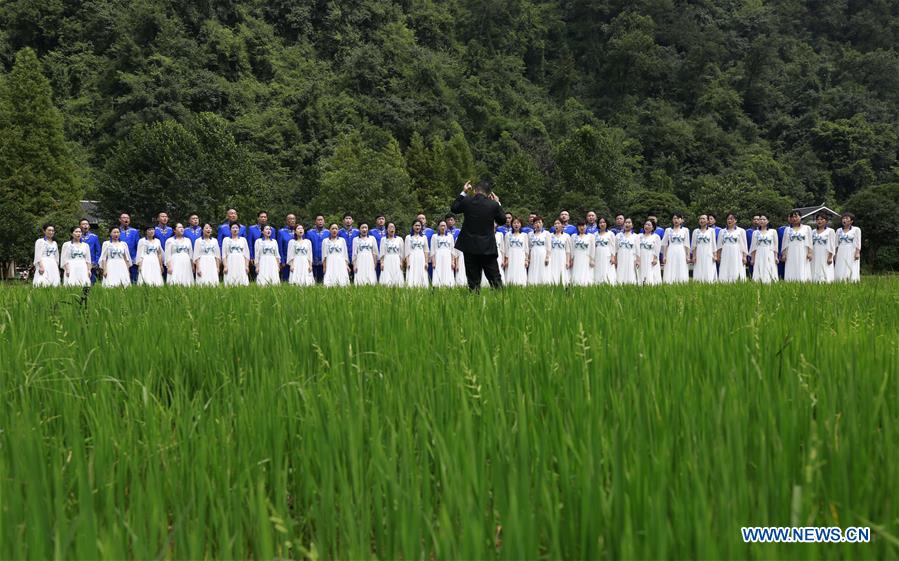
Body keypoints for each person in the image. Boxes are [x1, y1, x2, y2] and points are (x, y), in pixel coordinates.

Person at [450, 181, 506, 290]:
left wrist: (464, 192)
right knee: (494, 278)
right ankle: (501, 300)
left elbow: (454, 208)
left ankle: (474, 301)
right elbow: (502, 220)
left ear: (475, 191)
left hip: (470, 246)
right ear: (489, 194)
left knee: (473, 280)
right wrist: (498, 203)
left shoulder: (466, 201)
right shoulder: (493, 204)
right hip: (487, 247)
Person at [716, 213, 748, 283]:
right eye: (728, 219)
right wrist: (718, 256)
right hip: (725, 252)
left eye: (731, 219)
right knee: (725, 267)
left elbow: (744, 245)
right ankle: (724, 281)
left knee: (736, 267)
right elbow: (719, 246)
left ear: (735, 220)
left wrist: (744, 256)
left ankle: (737, 281)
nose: (729, 220)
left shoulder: (741, 231)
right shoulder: (722, 231)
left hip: (737, 252)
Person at [782, 211, 812, 282]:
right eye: (792, 217)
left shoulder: (807, 228)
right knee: (791, 266)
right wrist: (784, 254)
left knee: (802, 266)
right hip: (790, 251)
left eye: (796, 216)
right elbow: (784, 242)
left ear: (800, 217)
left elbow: (810, 241)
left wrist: (810, 252)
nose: (794, 219)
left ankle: (803, 281)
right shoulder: (787, 229)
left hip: (803, 251)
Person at [749, 215, 779, 284]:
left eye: (764, 219)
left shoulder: (773, 231)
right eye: (760, 219)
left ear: (768, 221)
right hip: (759, 253)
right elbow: (753, 247)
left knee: (769, 267)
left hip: (769, 252)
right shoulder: (755, 232)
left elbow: (775, 245)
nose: (762, 221)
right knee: (759, 267)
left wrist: (776, 256)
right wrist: (753, 259)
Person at [662, 213, 690, 284]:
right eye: (674, 218)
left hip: (681, 250)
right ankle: (669, 282)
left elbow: (687, 244)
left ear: (682, 220)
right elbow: (665, 244)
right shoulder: (668, 230)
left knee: (681, 266)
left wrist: (688, 256)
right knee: (670, 265)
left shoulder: (685, 230)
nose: (676, 220)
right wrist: (664, 256)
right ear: (672, 220)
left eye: (678, 218)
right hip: (671, 250)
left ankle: (681, 282)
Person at [834, 212, 861, 282]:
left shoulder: (856, 230)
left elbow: (858, 242)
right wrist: (835, 254)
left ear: (851, 221)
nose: (844, 220)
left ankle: (852, 280)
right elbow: (836, 244)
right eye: (843, 218)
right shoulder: (838, 231)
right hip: (841, 250)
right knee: (840, 265)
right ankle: (840, 280)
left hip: (851, 250)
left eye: (846, 218)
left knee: (851, 265)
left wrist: (857, 252)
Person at [691, 214, 718, 283]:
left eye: (703, 219)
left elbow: (713, 244)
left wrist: (715, 255)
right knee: (699, 268)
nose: (701, 220)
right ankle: (698, 282)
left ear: (707, 221)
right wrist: (694, 256)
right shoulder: (695, 231)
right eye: (700, 219)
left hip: (708, 252)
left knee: (709, 268)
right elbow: (694, 245)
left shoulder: (711, 231)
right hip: (699, 253)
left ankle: (709, 282)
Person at [811, 213, 836, 283]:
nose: (819, 221)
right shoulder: (813, 232)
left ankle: (826, 281)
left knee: (825, 268)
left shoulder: (830, 231)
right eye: (818, 219)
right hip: (815, 253)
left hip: (825, 253)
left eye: (822, 219)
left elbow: (832, 245)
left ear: (826, 221)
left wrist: (830, 257)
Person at [504, 217, 529, 286]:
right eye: (514, 223)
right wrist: (506, 259)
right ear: (512, 224)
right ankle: (510, 284)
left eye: (518, 223)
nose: (516, 224)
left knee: (520, 270)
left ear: (521, 225)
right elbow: (506, 248)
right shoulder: (508, 235)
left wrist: (526, 259)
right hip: (511, 255)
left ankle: (521, 284)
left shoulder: (524, 235)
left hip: (521, 256)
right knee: (510, 270)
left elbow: (526, 248)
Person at [430, 220, 456, 288]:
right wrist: (433, 262)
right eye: (441, 226)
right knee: (438, 270)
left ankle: (448, 285)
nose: (443, 227)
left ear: (446, 227)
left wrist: (453, 261)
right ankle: (437, 285)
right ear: (438, 227)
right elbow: (432, 250)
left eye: (444, 226)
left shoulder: (450, 236)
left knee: (448, 270)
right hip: (438, 256)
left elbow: (452, 250)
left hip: (448, 256)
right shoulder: (434, 236)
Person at [404, 220, 430, 288]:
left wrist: (426, 262)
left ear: (421, 227)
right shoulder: (408, 237)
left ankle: (422, 287)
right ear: (413, 226)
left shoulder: (424, 237)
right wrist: (408, 262)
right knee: (412, 273)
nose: (417, 227)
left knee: (422, 272)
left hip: (421, 257)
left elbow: (426, 250)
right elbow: (406, 251)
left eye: (419, 225)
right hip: (412, 257)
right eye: (416, 225)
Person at [547, 219, 572, 286]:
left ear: (562, 225)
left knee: (563, 272)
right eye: (555, 224)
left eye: (558, 223)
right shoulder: (550, 235)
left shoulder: (566, 236)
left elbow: (567, 250)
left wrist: (567, 261)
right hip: (552, 257)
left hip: (562, 257)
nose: (556, 225)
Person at [379, 223, 405, 287]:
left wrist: (402, 262)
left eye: (393, 227)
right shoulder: (383, 239)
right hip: (387, 259)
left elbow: (402, 252)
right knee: (387, 275)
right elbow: (382, 252)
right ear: (387, 229)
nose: (392, 229)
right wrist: (382, 262)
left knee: (397, 275)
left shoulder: (399, 239)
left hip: (396, 259)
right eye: (390, 227)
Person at [247, 211, 273, 276]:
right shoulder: (251, 229)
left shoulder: (272, 229)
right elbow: (250, 243)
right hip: (256, 255)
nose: (263, 218)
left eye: (265, 217)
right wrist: (251, 256)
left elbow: (273, 243)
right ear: (258, 218)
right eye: (261, 217)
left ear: (267, 218)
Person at [527, 217, 551, 285]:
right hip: (534, 253)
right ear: (533, 225)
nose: (538, 224)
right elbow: (529, 246)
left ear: (542, 224)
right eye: (536, 223)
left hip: (543, 253)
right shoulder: (530, 234)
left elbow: (548, 246)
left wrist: (547, 257)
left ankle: (543, 283)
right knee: (533, 268)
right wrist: (528, 258)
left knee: (542, 269)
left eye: (539, 222)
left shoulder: (546, 233)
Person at [306, 214, 330, 283]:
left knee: (324, 280)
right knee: (312, 280)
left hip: (325, 260)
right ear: (315, 222)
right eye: (318, 220)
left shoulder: (328, 232)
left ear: (324, 221)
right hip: (313, 260)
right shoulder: (309, 233)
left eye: (321, 220)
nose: (320, 222)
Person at [593, 217, 617, 285]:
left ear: (606, 224)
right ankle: (598, 282)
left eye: (604, 222)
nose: (602, 224)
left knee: (607, 267)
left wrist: (613, 257)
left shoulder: (610, 234)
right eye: (600, 222)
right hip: (597, 254)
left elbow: (613, 246)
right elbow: (594, 246)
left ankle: (608, 282)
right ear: (598, 224)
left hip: (607, 254)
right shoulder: (595, 234)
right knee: (598, 267)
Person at [637, 220, 662, 286]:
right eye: (645, 224)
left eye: (649, 225)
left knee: (651, 272)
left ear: (653, 227)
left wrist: (655, 259)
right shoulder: (639, 236)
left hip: (650, 257)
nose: (646, 226)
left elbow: (657, 249)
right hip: (641, 257)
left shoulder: (656, 237)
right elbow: (636, 248)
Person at [570, 221, 594, 286]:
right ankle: (575, 285)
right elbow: (571, 248)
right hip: (576, 257)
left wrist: (592, 259)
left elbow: (592, 249)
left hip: (586, 257)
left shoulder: (590, 236)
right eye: (580, 226)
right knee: (576, 272)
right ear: (577, 227)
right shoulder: (573, 236)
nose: (582, 227)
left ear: (586, 226)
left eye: (583, 225)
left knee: (586, 273)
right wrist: (571, 259)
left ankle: (585, 285)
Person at [616, 218, 639, 285]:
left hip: (631, 257)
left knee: (631, 272)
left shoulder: (635, 236)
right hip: (621, 256)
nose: (627, 224)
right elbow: (616, 249)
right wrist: (615, 259)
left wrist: (638, 260)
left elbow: (638, 250)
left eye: (629, 223)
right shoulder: (618, 236)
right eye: (626, 222)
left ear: (632, 225)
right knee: (620, 271)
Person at [118, 213, 140, 283]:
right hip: (120, 258)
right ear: (120, 220)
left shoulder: (135, 231)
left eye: (128, 218)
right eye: (124, 218)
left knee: (134, 279)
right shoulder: (116, 231)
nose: (126, 219)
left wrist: (138, 258)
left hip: (133, 258)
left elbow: (138, 246)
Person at [79, 218, 101, 282]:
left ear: (89, 226)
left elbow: (98, 251)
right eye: (83, 224)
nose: (85, 225)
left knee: (91, 281)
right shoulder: (77, 236)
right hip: (80, 261)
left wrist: (96, 262)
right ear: (80, 226)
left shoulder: (94, 237)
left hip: (92, 263)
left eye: (87, 224)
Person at [278, 214, 298, 281]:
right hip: (286, 260)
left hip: (297, 259)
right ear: (286, 221)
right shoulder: (281, 232)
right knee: (286, 280)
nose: (292, 220)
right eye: (290, 219)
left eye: (294, 219)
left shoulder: (299, 231)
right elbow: (280, 247)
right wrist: (282, 261)